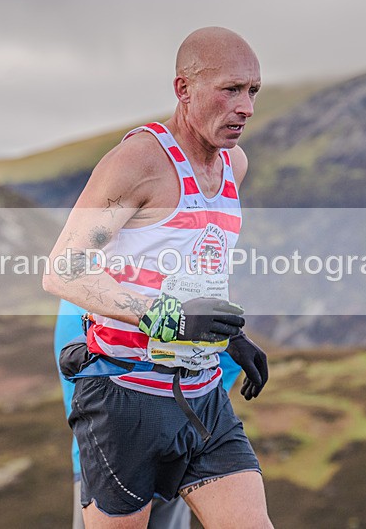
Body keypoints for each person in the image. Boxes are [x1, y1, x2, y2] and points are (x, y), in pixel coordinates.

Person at [43, 27, 272, 528]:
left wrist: (230, 340)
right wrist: (167, 318)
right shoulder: (140, 162)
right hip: (125, 395)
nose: (246, 107)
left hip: (202, 395)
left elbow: (198, 262)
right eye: (230, 89)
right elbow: (62, 270)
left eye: (253, 91)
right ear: (183, 89)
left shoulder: (233, 165)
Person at [52, 298, 245, 529]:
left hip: (103, 455)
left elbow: (76, 380)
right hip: (177, 449)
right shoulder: (177, 286)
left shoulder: (81, 297)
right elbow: (226, 359)